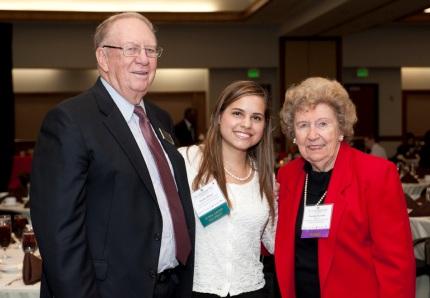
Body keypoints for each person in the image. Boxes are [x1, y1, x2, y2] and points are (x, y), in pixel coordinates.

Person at [30, 12, 195, 298]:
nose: (144, 59)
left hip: (171, 286)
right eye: (131, 49)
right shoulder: (70, 120)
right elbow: (60, 235)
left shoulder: (161, 119)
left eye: (151, 50)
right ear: (103, 58)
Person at [275, 77, 415, 298]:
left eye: (323, 124)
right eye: (303, 125)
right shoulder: (287, 177)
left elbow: (397, 265)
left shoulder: (376, 174)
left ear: (341, 128)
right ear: (293, 134)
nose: (312, 135)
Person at [178, 80, 277, 297]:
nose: (247, 124)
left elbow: (273, 241)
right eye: (238, 113)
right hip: (197, 289)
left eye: (256, 118)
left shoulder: (264, 177)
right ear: (219, 116)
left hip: (252, 290)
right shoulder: (187, 160)